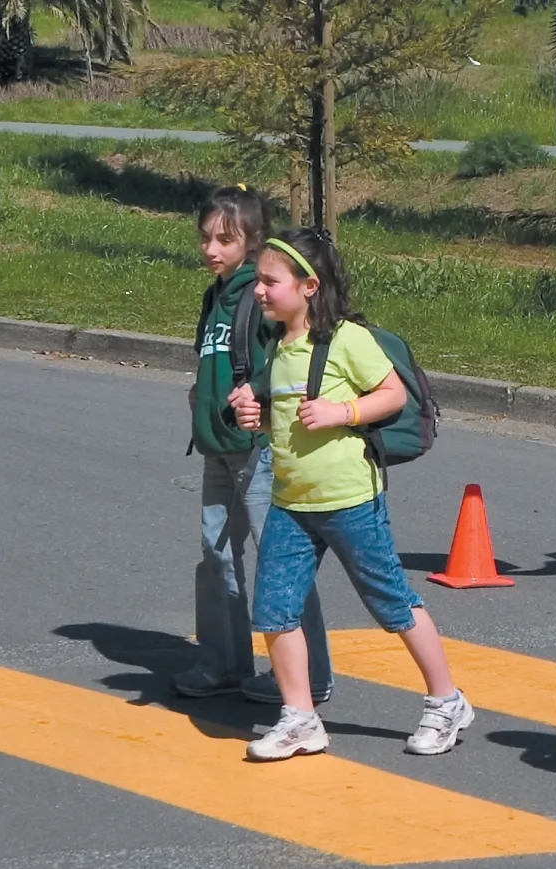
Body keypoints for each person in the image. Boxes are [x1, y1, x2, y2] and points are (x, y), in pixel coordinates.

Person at [228, 228, 472, 760]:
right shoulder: (279, 345)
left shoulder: (347, 340)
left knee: (392, 603)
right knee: (273, 611)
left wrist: (344, 413)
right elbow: (288, 421)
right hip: (292, 503)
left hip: (351, 500)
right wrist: (258, 418)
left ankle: (446, 701)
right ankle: (300, 718)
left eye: (270, 282)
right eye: (258, 282)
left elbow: (393, 394)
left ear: (309, 286)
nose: (259, 292)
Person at [174, 185, 335, 706]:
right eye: (205, 238)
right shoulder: (215, 293)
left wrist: (260, 399)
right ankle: (224, 661)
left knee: (279, 559)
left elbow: (291, 355)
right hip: (218, 445)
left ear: (253, 240)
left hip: (259, 448)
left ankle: (310, 676)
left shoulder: (259, 293)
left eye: (225, 239)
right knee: (215, 555)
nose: (211, 249)